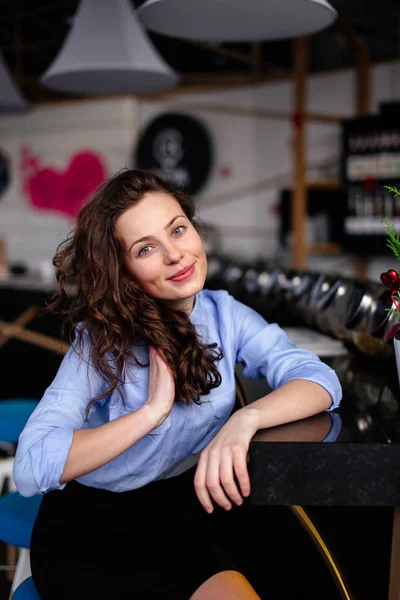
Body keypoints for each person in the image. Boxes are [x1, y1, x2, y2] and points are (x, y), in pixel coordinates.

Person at [13, 169, 342, 599]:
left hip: (179, 517)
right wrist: (151, 413)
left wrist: (244, 421)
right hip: (92, 536)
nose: (176, 255)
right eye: (146, 247)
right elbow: (29, 467)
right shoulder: (99, 340)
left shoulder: (225, 315)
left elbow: (319, 378)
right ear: (125, 271)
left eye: (178, 230)